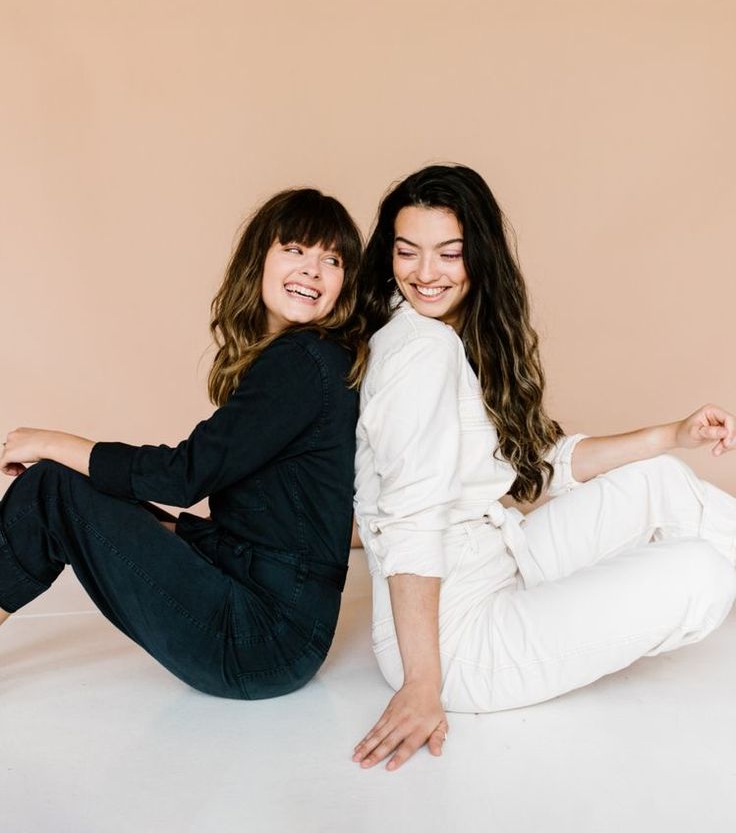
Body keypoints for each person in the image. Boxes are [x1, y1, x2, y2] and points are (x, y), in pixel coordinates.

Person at [352, 164, 736, 770]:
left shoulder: (455, 336)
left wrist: (674, 434)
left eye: (448, 254)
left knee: (658, 478)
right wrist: (423, 682)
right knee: (703, 572)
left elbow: (536, 463)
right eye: (408, 253)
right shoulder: (418, 351)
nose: (426, 274)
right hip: (457, 641)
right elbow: (410, 517)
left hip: (499, 560)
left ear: (479, 256)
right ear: (388, 256)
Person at [0, 187, 363, 699]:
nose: (313, 270)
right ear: (259, 256)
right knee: (66, 486)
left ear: (344, 283)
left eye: (332, 260)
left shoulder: (304, 363)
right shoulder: (299, 360)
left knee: (54, 489)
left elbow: (185, 475)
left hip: (258, 638)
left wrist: (54, 441)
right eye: (296, 250)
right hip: (268, 618)